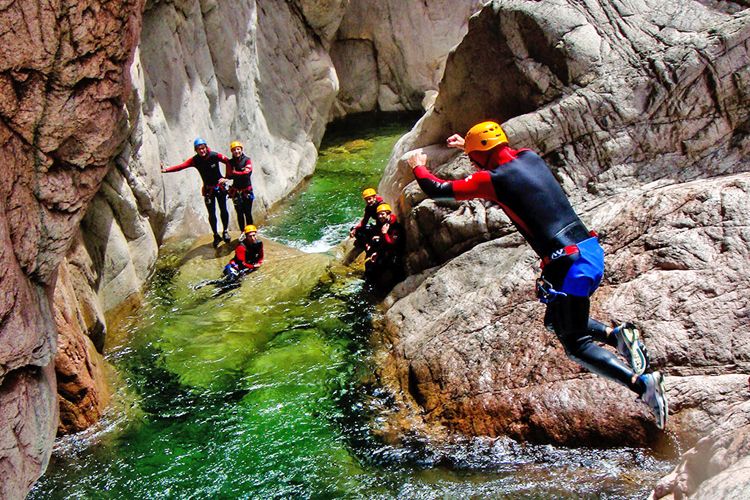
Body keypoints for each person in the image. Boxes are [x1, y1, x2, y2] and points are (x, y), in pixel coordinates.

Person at [407, 120, 667, 429]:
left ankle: (643, 384)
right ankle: (618, 336)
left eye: (473, 156)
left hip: (572, 266)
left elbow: (437, 190)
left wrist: (418, 167)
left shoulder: (492, 180)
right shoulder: (530, 156)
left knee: (576, 343)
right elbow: (500, 156)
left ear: (480, 156)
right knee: (555, 320)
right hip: (584, 250)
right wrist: (470, 145)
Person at [162, 138, 231, 248]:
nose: (202, 151)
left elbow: (228, 161)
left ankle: (225, 231)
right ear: (196, 150)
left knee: (223, 209)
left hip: (220, 188)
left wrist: (227, 177)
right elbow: (181, 166)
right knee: (212, 214)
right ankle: (216, 235)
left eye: (203, 148)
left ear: (206, 147)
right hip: (209, 190)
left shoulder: (214, 155)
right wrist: (166, 170)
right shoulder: (195, 160)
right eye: (199, 149)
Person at [364, 203, 405, 291]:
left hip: (395, 254)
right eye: (378, 214)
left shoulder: (396, 227)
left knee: (389, 271)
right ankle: (370, 287)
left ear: (388, 214)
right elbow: (384, 242)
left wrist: (384, 233)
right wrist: (377, 252)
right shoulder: (385, 224)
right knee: (369, 265)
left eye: (382, 214)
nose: (380, 216)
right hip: (386, 251)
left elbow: (392, 244)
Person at [226, 140, 255, 230]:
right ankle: (242, 232)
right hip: (236, 191)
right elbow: (229, 175)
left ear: (241, 149)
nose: (236, 151)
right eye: (234, 150)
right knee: (239, 213)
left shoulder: (247, 160)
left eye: (238, 149)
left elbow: (247, 173)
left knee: (248, 213)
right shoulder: (230, 162)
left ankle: (250, 231)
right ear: (232, 151)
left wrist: (235, 173)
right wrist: (226, 178)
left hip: (246, 191)